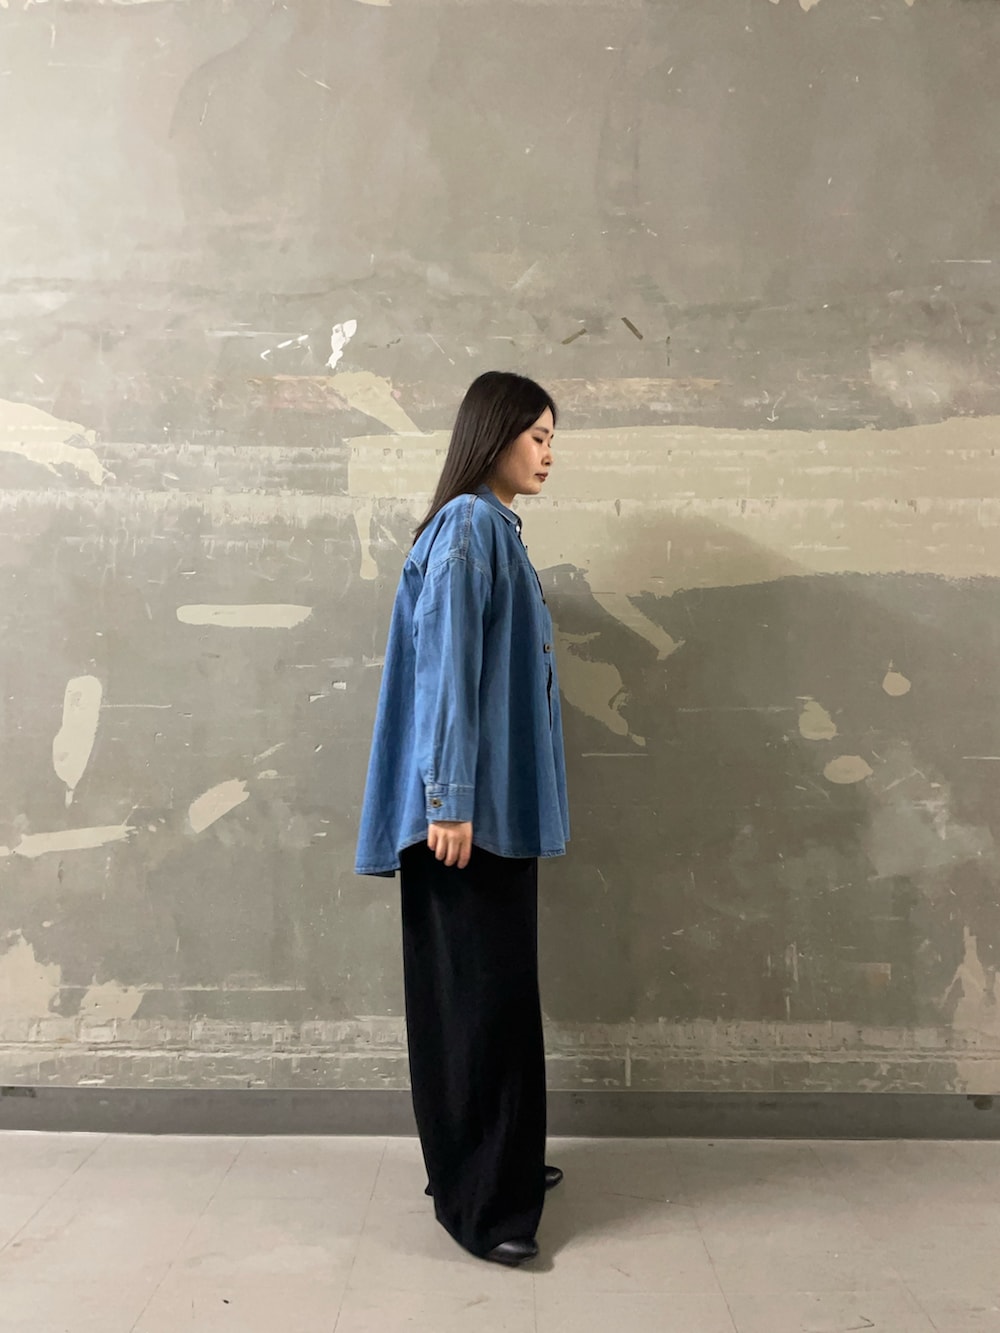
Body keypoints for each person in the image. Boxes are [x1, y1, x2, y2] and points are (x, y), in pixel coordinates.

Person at [355, 371, 571, 1266]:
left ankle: (494, 1159)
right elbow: (446, 667)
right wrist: (448, 798)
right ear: (495, 435)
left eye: (553, 439)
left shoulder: (488, 530)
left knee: (487, 999)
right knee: (477, 1007)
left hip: (486, 814)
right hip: (465, 820)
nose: (549, 453)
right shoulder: (471, 529)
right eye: (538, 436)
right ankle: (486, 1202)